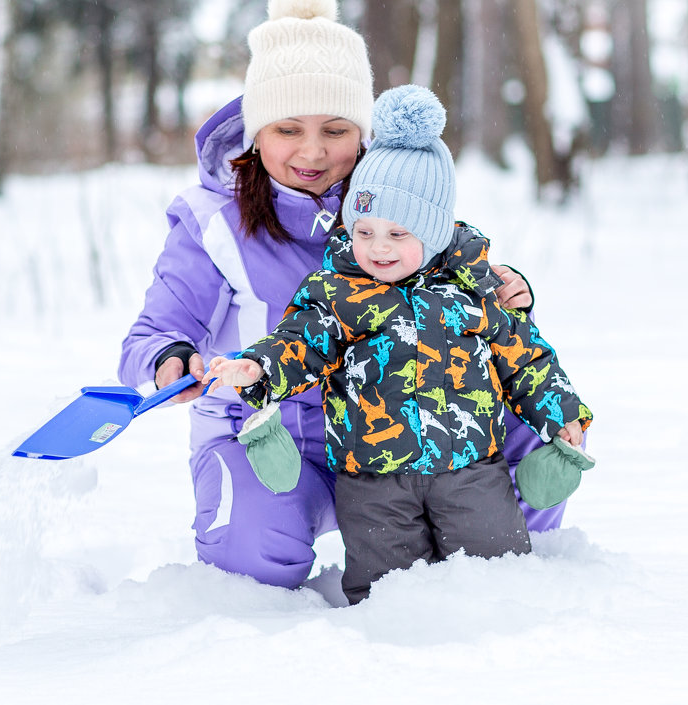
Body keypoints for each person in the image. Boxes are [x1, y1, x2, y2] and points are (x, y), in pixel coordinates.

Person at [117, 0, 555, 590]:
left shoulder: (395, 202)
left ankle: (498, 579)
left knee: (526, 445)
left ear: (365, 133)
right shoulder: (211, 226)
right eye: (287, 129)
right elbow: (151, 333)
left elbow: (466, 284)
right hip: (274, 440)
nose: (313, 152)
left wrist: (511, 292)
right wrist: (170, 359)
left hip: (405, 433)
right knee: (254, 554)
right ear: (254, 133)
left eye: (336, 130)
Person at [202, 84, 593, 604]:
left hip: (470, 471)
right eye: (363, 231)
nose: (377, 247)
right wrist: (258, 369)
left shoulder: (473, 290)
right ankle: (392, 669)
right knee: (386, 594)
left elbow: (526, 356)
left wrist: (563, 412)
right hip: (373, 482)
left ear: (432, 233)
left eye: (397, 233)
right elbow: (299, 341)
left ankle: (498, 655)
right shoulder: (339, 292)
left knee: (496, 578)